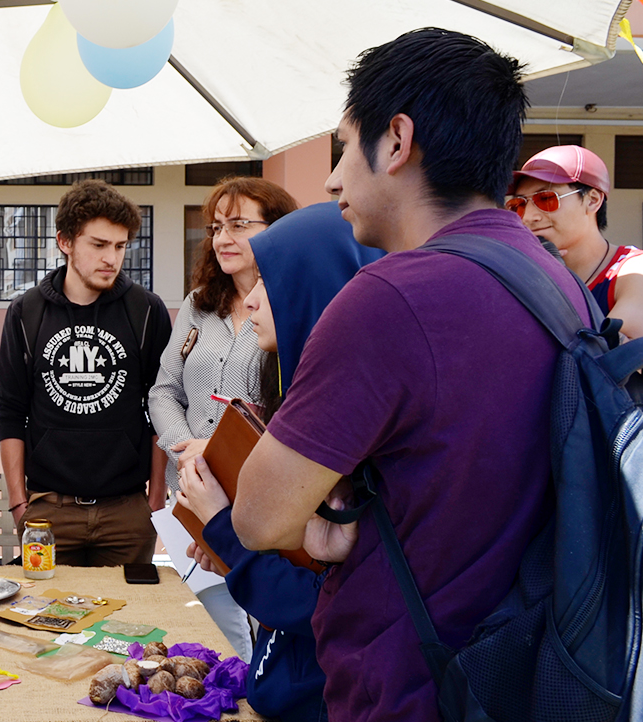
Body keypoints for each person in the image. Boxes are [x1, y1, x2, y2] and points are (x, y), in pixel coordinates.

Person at [214, 29, 592, 722]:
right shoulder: (553, 283)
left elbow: (261, 518)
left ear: (394, 139)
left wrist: (314, 531)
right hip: (518, 670)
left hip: (410, 686)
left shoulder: (390, 297)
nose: (330, 181)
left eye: (340, 147)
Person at [180, 202, 384, 722]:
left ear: (314, 289)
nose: (249, 301)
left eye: (267, 282)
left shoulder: (355, 436)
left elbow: (318, 603)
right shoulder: (295, 397)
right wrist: (226, 542)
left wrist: (223, 528)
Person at [148, 176, 297, 659]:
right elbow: (163, 390)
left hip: (260, 501)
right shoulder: (197, 305)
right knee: (212, 633)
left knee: (265, 623)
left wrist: (214, 453)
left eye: (239, 225)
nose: (222, 239)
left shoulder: (293, 307)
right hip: (190, 496)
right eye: (216, 227)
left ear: (277, 230)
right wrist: (185, 446)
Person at [0, 179, 172, 566]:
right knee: (43, 621)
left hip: (127, 511)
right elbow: (10, 410)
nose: (112, 258)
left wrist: (155, 500)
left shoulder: (146, 311)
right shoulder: (26, 313)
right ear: (65, 242)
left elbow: (163, 405)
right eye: (99, 244)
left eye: (120, 246)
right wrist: (17, 504)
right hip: (49, 511)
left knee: (126, 623)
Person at [509, 145, 643, 337]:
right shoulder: (524, 271)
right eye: (519, 205)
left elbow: (619, 360)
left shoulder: (633, 272)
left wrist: (555, 288)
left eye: (546, 198)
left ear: (592, 200)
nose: (529, 216)